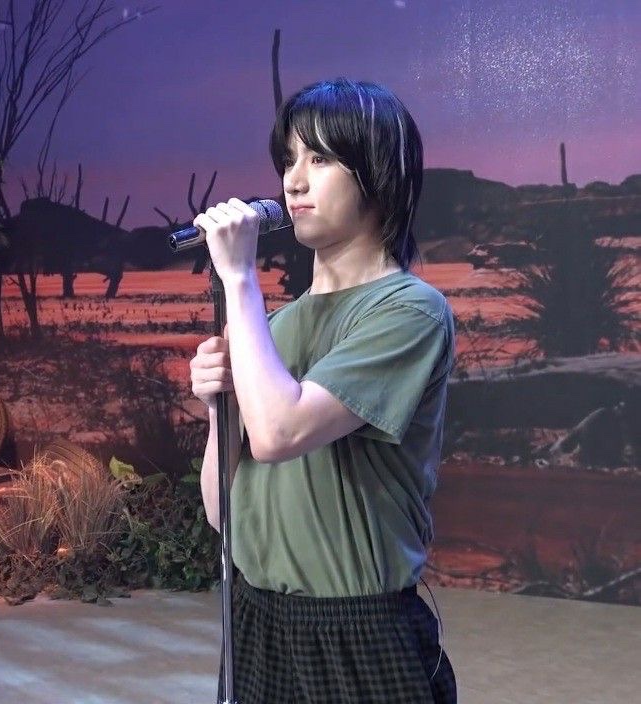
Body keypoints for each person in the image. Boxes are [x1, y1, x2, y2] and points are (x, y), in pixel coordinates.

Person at [189, 77, 457, 703]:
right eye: (288, 160)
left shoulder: (408, 310)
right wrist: (219, 410)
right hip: (259, 619)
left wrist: (239, 279)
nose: (293, 182)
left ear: (378, 173)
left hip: (358, 627)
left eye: (320, 159)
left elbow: (281, 432)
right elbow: (221, 512)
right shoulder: (274, 327)